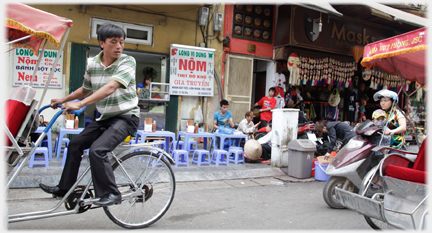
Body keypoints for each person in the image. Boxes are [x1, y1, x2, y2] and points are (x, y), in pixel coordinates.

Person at [39, 23, 140, 207]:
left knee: (98, 150)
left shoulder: (127, 61)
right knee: (75, 144)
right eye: (114, 42)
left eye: (122, 42)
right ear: (102, 43)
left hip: (126, 117)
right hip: (105, 118)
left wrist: (80, 104)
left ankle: (111, 193)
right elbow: (85, 89)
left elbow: (110, 87)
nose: (119, 46)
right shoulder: (93, 64)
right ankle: (65, 188)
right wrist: (63, 99)